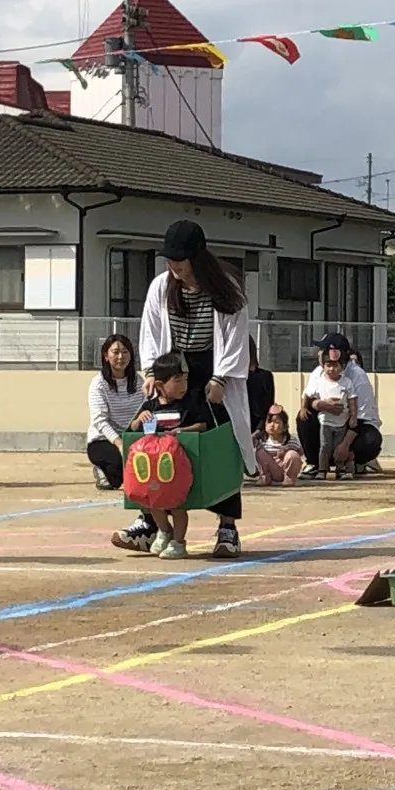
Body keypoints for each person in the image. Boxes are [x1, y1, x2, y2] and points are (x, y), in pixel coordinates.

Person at [136, 219, 251, 561]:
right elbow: (152, 330)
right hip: (174, 371)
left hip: (212, 371)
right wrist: (152, 373)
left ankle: (227, 526)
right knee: (157, 439)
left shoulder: (227, 288)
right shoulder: (161, 286)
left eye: (180, 262)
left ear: (197, 258)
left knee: (221, 444)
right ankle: (153, 522)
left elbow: (235, 339)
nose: (174, 269)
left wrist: (220, 379)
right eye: (169, 262)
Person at [127, 352, 222, 559]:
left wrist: (184, 432)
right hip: (155, 470)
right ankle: (164, 531)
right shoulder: (150, 406)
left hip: (178, 469)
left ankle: (179, 542)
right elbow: (132, 430)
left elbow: (203, 424)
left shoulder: (189, 404)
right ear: (160, 385)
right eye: (177, 381)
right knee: (154, 503)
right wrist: (138, 421)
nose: (183, 386)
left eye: (185, 380)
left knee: (178, 505)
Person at [296, 333, 383, 474]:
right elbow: (308, 396)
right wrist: (318, 404)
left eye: (322, 350)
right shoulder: (318, 373)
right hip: (326, 424)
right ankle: (314, 462)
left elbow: (362, 415)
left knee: (370, 440)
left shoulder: (357, 376)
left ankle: (354, 459)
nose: (318, 354)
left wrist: (345, 445)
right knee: (304, 417)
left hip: (351, 426)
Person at [87, 333, 145, 491]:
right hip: (104, 440)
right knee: (115, 479)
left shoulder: (138, 381)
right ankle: (101, 469)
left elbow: (144, 409)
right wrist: (119, 443)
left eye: (125, 352)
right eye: (115, 352)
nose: (121, 357)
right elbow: (100, 421)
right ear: (106, 355)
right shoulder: (98, 384)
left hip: (131, 436)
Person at [304, 343, 358, 480]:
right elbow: (307, 395)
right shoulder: (319, 381)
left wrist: (353, 416)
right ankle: (322, 470)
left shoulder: (347, 383)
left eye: (335, 365)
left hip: (341, 423)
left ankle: (340, 471)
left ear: (342, 367)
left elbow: (352, 400)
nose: (332, 369)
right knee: (325, 447)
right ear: (323, 365)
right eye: (328, 365)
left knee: (338, 447)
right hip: (325, 422)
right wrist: (303, 408)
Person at [254, 405, 304, 485]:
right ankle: (265, 477)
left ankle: (290, 478)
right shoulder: (262, 440)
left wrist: (286, 453)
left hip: (285, 467)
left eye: (276, 422)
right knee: (260, 452)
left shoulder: (291, 440)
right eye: (269, 422)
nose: (272, 425)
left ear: (284, 427)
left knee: (293, 454)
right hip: (270, 469)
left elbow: (300, 453)